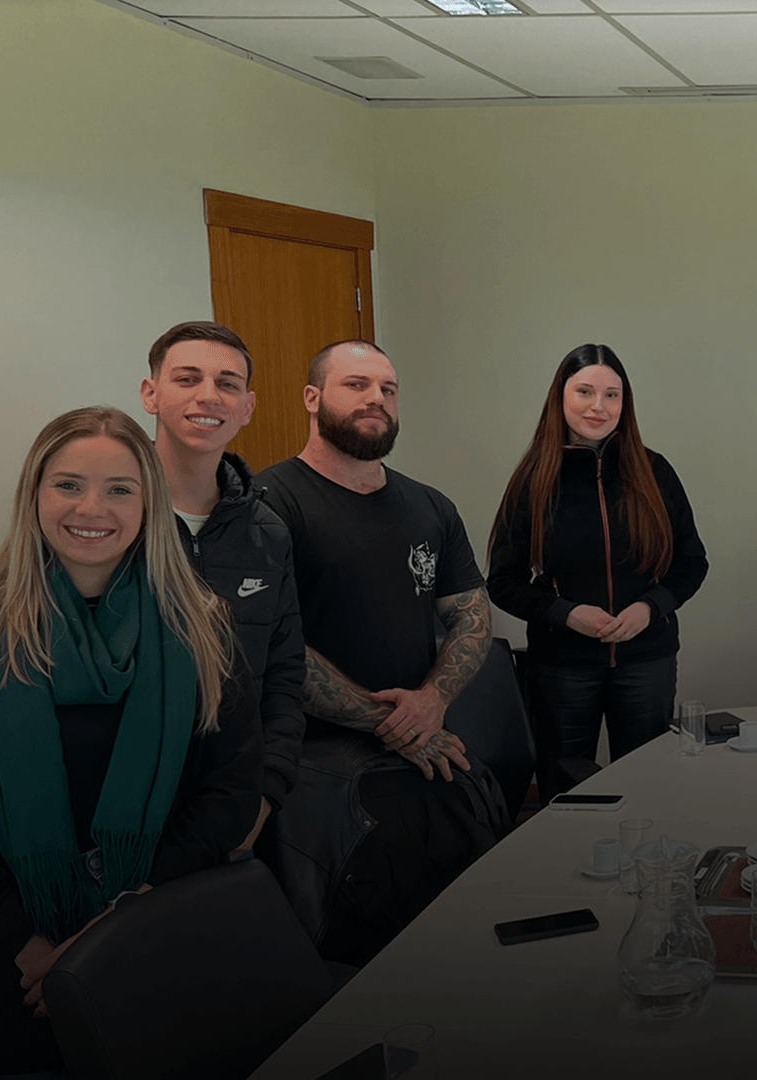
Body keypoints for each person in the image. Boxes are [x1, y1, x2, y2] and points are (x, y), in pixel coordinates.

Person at [0, 406, 260, 1075]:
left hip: (156, 944)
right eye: (68, 484)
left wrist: (115, 931)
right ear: (34, 495)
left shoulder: (206, 631)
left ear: (148, 503)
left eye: (119, 488)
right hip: (14, 965)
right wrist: (35, 946)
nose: (90, 507)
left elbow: (229, 795)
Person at [259, 339, 501, 965]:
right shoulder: (268, 505)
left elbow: (472, 615)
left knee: (461, 915)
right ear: (312, 399)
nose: (376, 399)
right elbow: (270, 643)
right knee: (365, 948)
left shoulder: (429, 506)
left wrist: (434, 700)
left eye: (388, 389)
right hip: (314, 768)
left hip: (419, 749)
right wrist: (394, 722)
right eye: (356, 385)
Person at [488, 344, 708, 785]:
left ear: (625, 403)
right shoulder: (534, 478)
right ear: (560, 397)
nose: (598, 407)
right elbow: (503, 581)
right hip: (562, 666)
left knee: (648, 783)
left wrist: (650, 608)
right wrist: (566, 613)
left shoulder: (655, 470)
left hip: (647, 661)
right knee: (566, 790)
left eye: (612, 395)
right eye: (585, 392)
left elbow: (692, 562)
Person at [141, 321, 305, 857]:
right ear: (150, 393)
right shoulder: (107, 521)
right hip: (123, 806)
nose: (208, 395)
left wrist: (264, 796)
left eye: (227, 383)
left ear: (247, 406)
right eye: (187, 378)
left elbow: (283, 675)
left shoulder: (267, 532)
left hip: (230, 807)